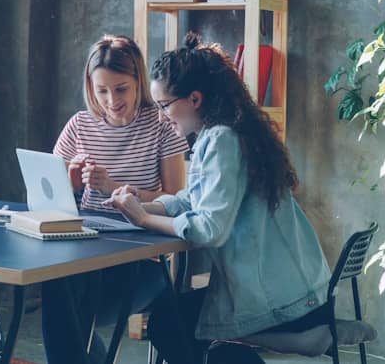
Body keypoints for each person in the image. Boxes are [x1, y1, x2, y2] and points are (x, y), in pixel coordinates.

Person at [105, 32, 332, 364]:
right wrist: (144, 205)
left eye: (165, 105)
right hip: (296, 290)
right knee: (174, 319)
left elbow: (211, 228)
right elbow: (195, 200)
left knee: (169, 324)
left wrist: (143, 219)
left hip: (284, 302)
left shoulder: (222, 139)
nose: (162, 116)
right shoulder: (223, 133)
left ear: (194, 99)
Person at [42, 34, 189, 364]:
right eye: (102, 90)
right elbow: (51, 202)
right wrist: (73, 185)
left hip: (142, 263)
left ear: (138, 80)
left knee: (66, 294)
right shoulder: (79, 126)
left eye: (121, 88)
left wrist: (114, 187)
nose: (111, 100)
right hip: (87, 255)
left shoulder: (163, 126)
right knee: (56, 283)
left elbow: (179, 199)